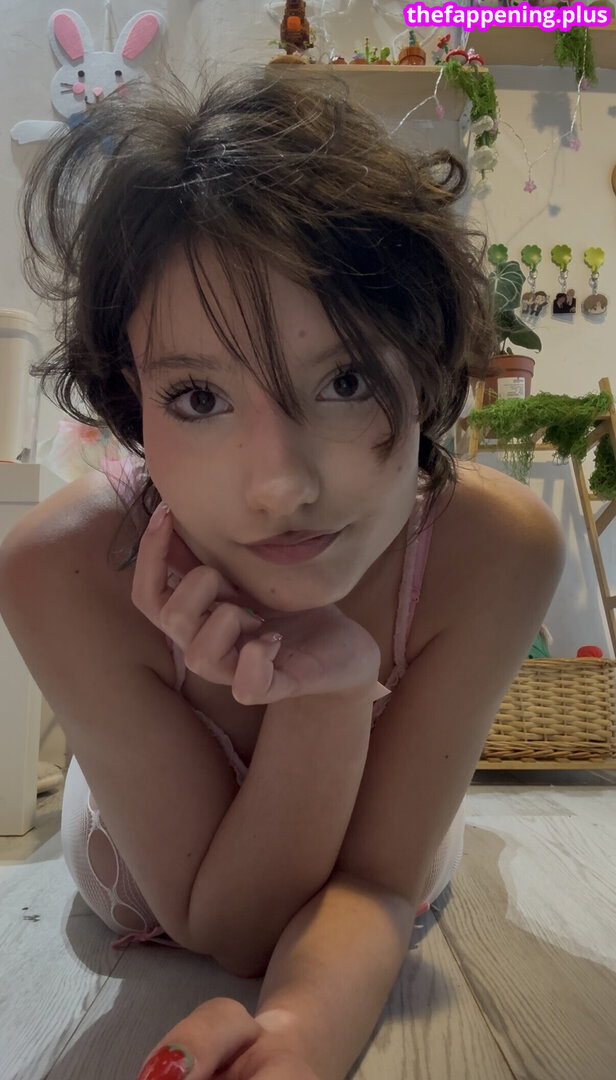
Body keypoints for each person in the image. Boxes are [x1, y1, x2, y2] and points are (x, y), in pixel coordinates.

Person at [0, 67, 565, 1080]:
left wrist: (297, 1041)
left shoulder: (496, 550)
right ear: (130, 400)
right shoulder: (59, 568)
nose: (278, 487)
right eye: (198, 397)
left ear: (427, 363)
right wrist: (322, 697)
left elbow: (376, 882)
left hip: (386, 855)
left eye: (344, 380)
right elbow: (233, 929)